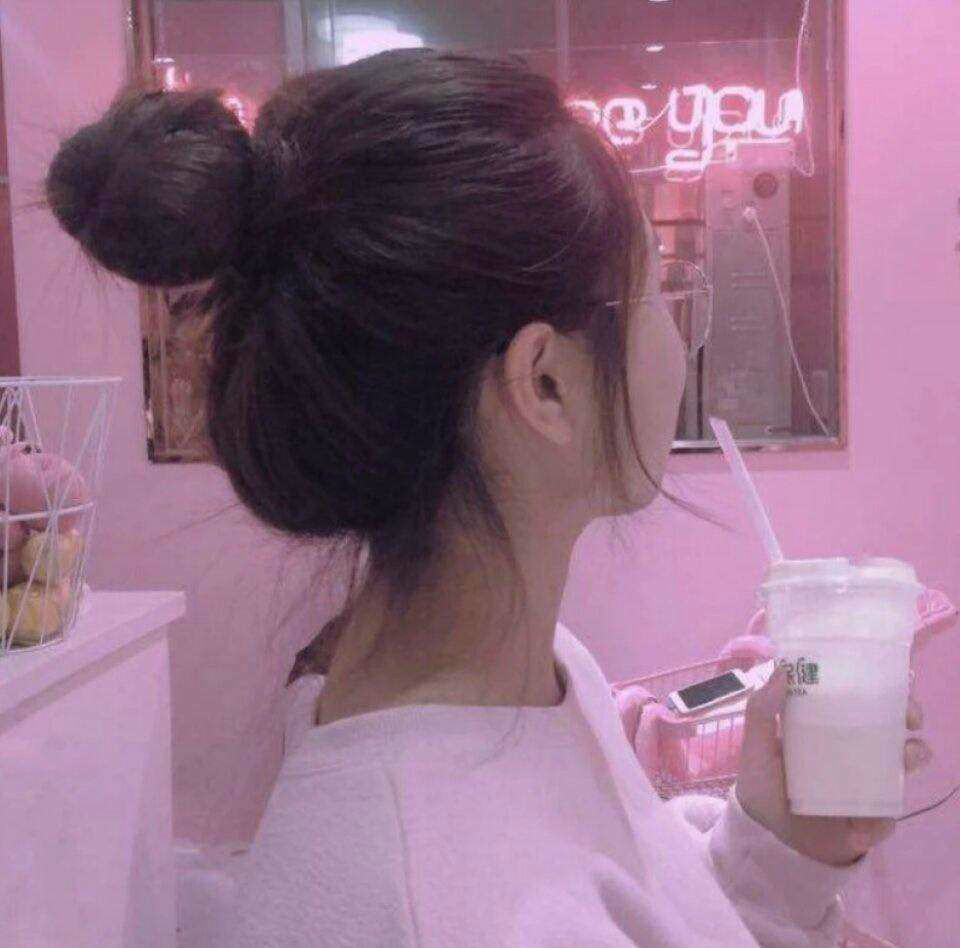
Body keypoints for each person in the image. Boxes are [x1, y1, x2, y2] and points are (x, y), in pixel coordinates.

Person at [45, 48, 930, 948]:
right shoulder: (429, 900)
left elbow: (651, 911)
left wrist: (785, 850)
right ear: (545, 382)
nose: (677, 338)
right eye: (659, 292)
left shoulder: (524, 678)